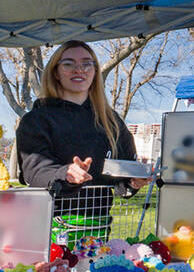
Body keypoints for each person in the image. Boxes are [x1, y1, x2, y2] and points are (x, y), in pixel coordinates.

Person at [15, 41, 147, 201]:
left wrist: (134, 181)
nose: (79, 70)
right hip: (50, 221)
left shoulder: (111, 120)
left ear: (95, 71)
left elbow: (123, 174)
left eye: (87, 64)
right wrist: (66, 174)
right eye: (68, 64)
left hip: (99, 223)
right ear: (55, 72)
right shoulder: (36, 120)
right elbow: (35, 172)